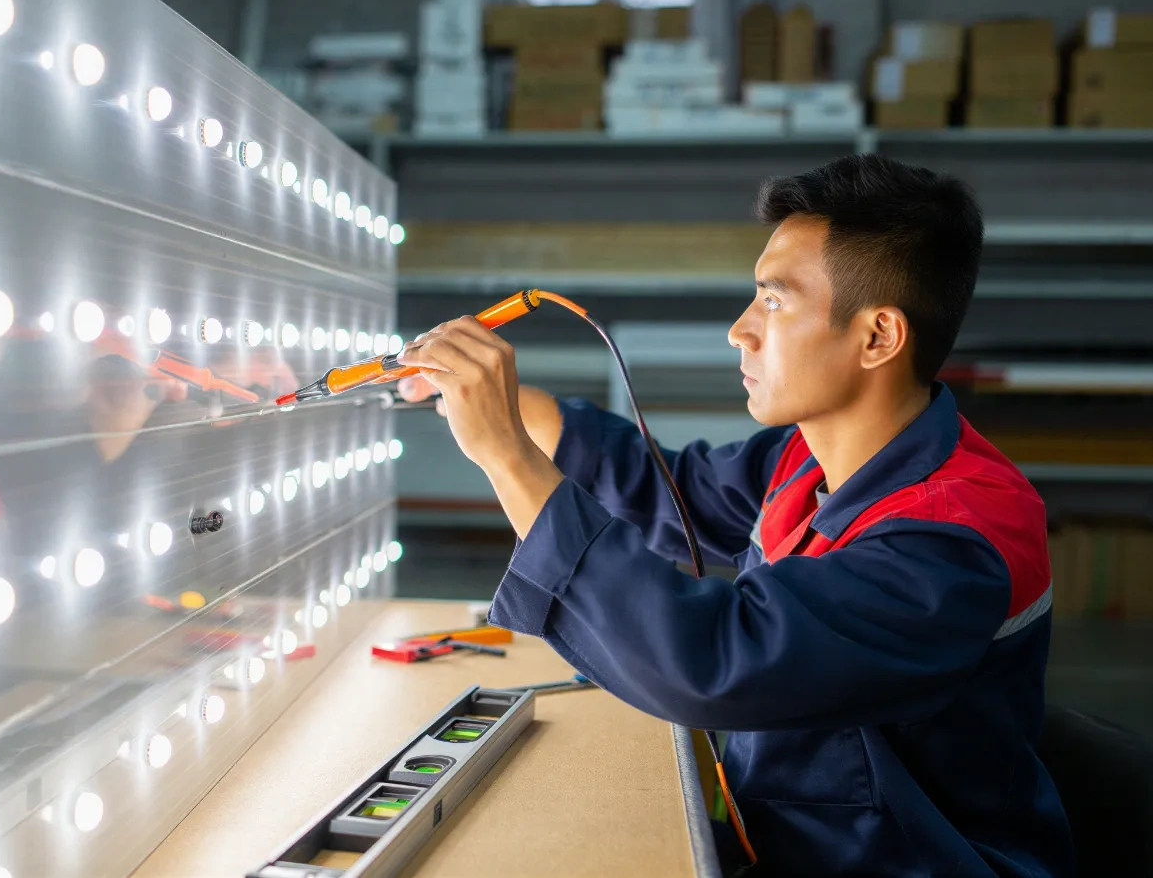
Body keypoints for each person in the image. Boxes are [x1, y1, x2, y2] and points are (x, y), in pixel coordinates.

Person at [396, 154, 1075, 877]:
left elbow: (715, 659)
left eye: (774, 301)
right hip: (788, 838)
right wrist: (466, 387)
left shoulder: (954, 540)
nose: (739, 330)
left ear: (878, 336)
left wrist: (504, 453)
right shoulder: (810, 456)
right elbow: (667, 490)